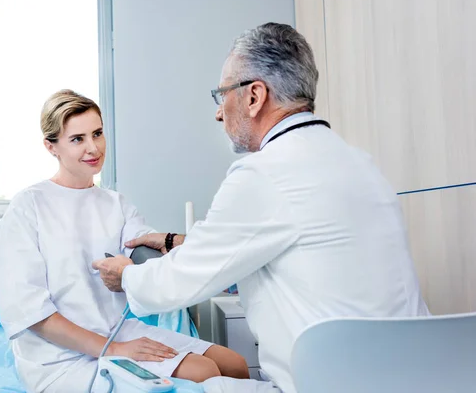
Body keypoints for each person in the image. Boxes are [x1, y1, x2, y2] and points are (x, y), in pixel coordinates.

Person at [92, 23, 431, 393]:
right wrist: (174, 240)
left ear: (254, 96)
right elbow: (286, 242)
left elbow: (175, 284)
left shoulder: (265, 174)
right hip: (417, 378)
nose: (219, 114)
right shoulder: (358, 163)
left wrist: (125, 275)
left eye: (222, 95)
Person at [0, 89, 249, 393]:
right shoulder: (28, 207)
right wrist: (113, 349)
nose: (93, 148)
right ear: (51, 147)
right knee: (203, 371)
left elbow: (150, 257)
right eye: (78, 139)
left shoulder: (116, 204)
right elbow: (33, 316)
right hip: (60, 354)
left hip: (118, 331)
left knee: (235, 365)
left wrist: (185, 252)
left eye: (98, 133)